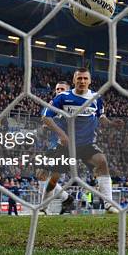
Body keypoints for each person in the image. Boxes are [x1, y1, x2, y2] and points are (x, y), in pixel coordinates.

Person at [42, 68, 124, 214]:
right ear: (74, 81)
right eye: (79, 78)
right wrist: (61, 134)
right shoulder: (62, 97)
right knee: (53, 178)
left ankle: (109, 205)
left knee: (102, 162)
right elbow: (46, 118)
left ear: (90, 81)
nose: (82, 81)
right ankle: (42, 208)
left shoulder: (96, 98)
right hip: (66, 145)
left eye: (85, 78)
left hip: (86, 144)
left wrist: (111, 123)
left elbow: (101, 117)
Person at [38, 80, 75, 215]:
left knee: (45, 175)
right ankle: (66, 198)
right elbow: (44, 122)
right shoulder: (51, 106)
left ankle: (43, 208)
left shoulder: (72, 107)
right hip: (52, 145)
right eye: (57, 89)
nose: (59, 91)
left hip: (64, 146)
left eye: (62, 89)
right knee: (46, 177)